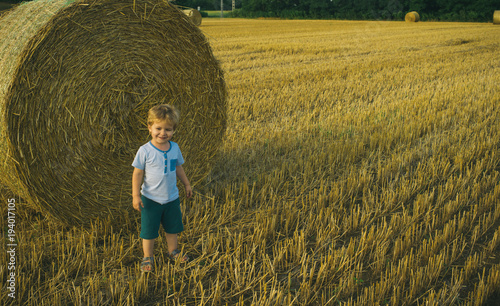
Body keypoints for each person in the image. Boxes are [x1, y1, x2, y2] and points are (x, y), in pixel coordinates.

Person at [132, 104, 193, 272]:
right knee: (149, 230)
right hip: (150, 199)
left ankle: (173, 251)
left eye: (168, 129)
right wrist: (136, 195)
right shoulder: (144, 150)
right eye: (158, 128)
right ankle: (148, 256)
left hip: (172, 198)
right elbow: (137, 174)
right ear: (149, 127)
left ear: (174, 130)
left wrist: (187, 184)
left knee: (173, 228)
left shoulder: (175, 148)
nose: (163, 133)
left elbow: (178, 168)